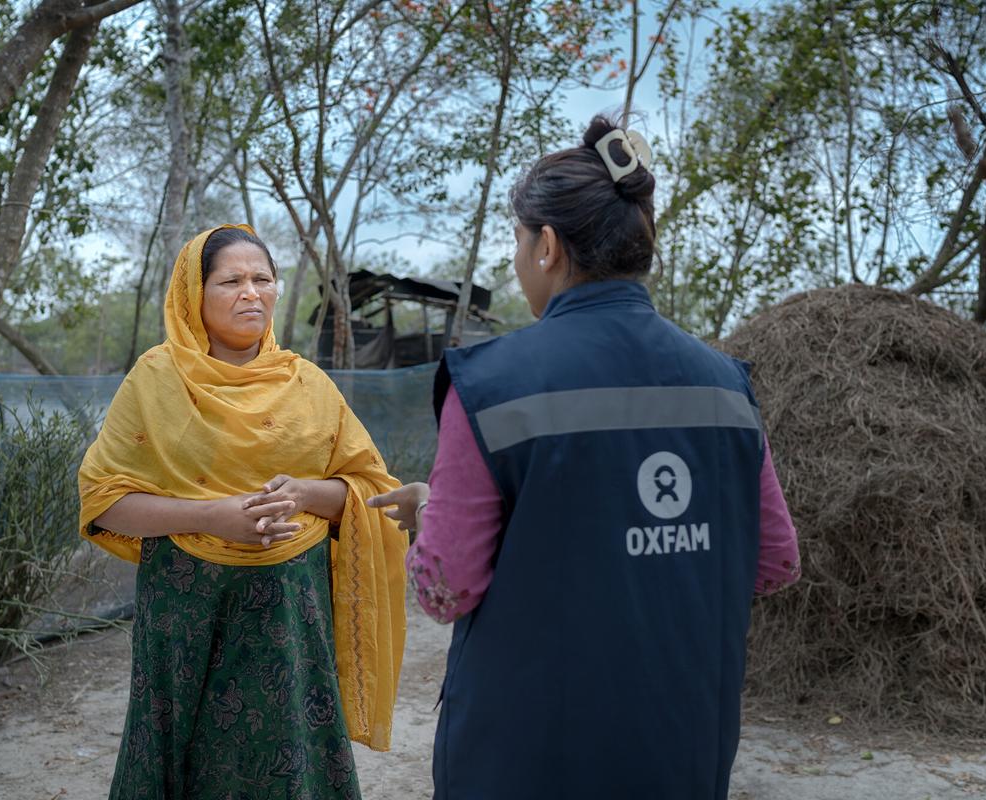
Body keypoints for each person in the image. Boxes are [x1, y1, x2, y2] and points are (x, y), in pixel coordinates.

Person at [369, 116, 801, 799]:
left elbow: (443, 587)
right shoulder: (725, 387)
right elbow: (774, 563)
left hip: (526, 755)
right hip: (683, 744)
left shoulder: (492, 383)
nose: (516, 259)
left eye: (517, 240)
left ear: (546, 246)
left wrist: (431, 514)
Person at [78, 224, 408, 800]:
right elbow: (105, 502)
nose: (250, 292)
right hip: (186, 610)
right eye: (230, 280)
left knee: (285, 750)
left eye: (262, 279)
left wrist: (307, 494)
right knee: (188, 754)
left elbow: (368, 491)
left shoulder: (309, 385)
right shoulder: (157, 379)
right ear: (193, 296)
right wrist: (210, 517)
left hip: (288, 613)